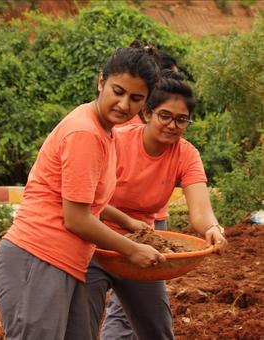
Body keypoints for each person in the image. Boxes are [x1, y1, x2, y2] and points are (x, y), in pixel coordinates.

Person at [0, 45, 166, 340]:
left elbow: (86, 199)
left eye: (136, 98)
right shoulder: (85, 132)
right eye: (118, 91)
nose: (124, 104)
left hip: (64, 264)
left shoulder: (104, 130)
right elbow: (76, 218)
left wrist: (127, 222)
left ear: (145, 102)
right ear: (101, 82)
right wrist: (132, 249)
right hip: (37, 259)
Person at [86, 70, 228, 340]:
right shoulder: (116, 140)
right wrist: (124, 224)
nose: (172, 125)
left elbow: (199, 208)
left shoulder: (186, 154)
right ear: (148, 113)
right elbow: (89, 200)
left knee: (157, 331)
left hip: (143, 250)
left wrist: (212, 227)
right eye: (165, 115)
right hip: (96, 243)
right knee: (82, 326)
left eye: (181, 120)